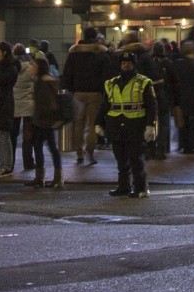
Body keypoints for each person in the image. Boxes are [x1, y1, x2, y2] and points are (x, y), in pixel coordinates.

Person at [101, 48, 159, 198]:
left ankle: (141, 188)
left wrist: (151, 125)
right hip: (116, 124)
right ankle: (123, 187)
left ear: (134, 65)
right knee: (120, 159)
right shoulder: (111, 83)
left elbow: (152, 105)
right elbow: (105, 105)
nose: (125, 65)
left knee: (135, 158)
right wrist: (98, 122)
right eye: (123, 63)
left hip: (135, 124)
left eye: (129, 63)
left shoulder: (144, 82)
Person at [61, 29, 112, 168]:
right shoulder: (101, 53)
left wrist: (69, 90)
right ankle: (90, 152)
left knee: (78, 124)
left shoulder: (74, 54)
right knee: (92, 125)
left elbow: (67, 74)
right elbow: (107, 75)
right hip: (95, 93)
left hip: (78, 93)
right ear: (96, 37)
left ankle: (79, 153)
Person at [21, 55, 66, 188]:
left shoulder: (43, 82)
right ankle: (51, 177)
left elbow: (47, 104)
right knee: (45, 147)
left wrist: (36, 118)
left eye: (33, 66)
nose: (31, 68)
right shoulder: (48, 79)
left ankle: (47, 178)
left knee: (44, 147)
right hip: (45, 120)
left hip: (44, 121)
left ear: (39, 68)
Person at [0, 42, 23, 178]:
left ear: (5, 53)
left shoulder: (9, 68)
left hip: (3, 104)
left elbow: (3, 83)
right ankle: (3, 165)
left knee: (3, 136)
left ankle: (7, 166)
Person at [169, 39, 194, 155]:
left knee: (182, 121)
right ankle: (193, 143)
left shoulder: (177, 63)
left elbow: (173, 80)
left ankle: (183, 144)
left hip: (181, 96)